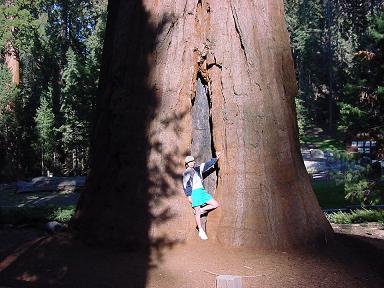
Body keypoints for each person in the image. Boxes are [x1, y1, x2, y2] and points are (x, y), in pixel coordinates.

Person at [182, 153, 221, 240]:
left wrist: (215, 159)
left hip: (202, 191)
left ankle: (202, 210)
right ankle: (200, 230)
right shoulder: (186, 172)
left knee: (215, 204)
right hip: (194, 192)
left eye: (192, 161)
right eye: (189, 162)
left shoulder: (198, 168)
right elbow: (186, 185)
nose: (191, 163)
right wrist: (189, 195)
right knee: (197, 210)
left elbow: (207, 165)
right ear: (186, 164)